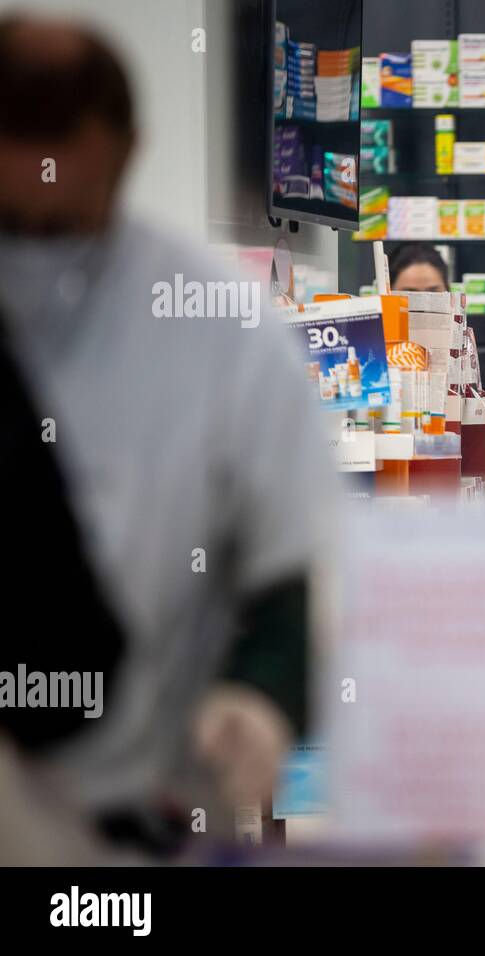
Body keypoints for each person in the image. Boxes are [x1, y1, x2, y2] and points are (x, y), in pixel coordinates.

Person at [0, 14, 337, 856]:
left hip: (148, 825)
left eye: (62, 225)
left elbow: (297, 570)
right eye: (10, 224)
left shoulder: (221, 329)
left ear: (125, 154)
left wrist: (260, 701)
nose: (35, 259)